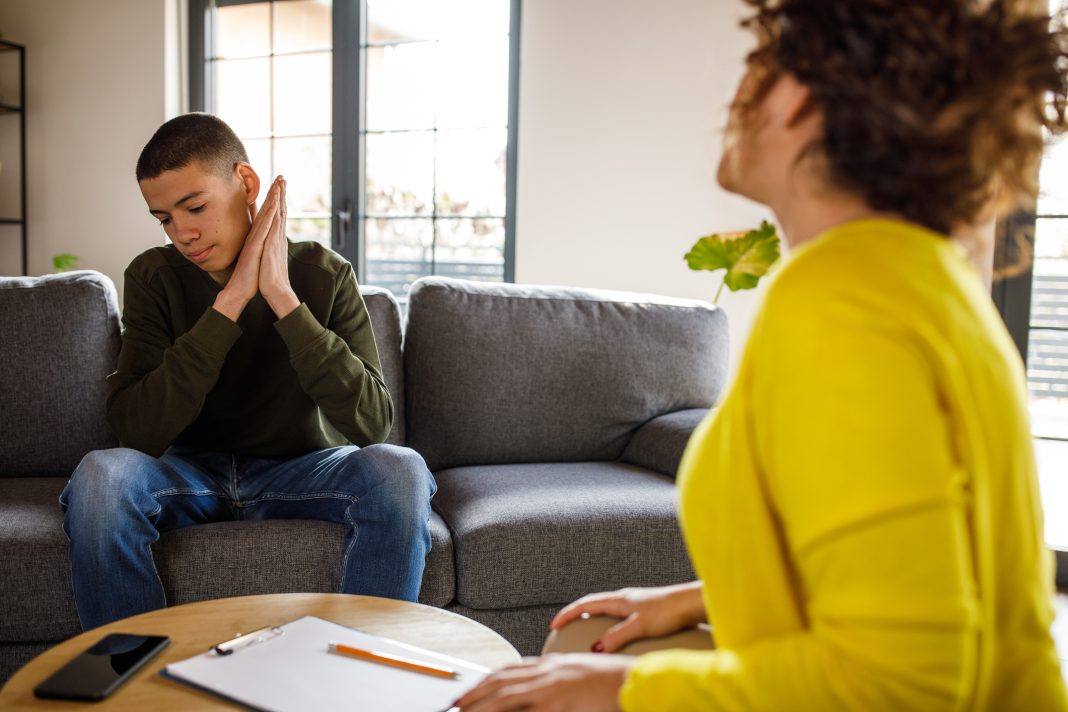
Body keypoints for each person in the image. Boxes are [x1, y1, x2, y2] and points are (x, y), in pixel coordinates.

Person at [454, 1, 1068, 710]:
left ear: (805, 96)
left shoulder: (843, 303)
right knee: (583, 640)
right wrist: (696, 599)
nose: (735, 96)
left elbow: (905, 688)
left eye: (758, 68)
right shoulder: (927, 282)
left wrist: (625, 690)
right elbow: (922, 565)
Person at [60, 113, 436, 631]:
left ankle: (364, 668)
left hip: (304, 472)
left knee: (401, 470)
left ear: (247, 184)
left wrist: (282, 298)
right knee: (101, 477)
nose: (183, 233)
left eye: (195, 207)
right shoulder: (154, 276)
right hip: (188, 474)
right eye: (164, 218)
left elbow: (373, 425)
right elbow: (136, 429)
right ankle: (130, 682)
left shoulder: (324, 275)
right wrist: (230, 301)